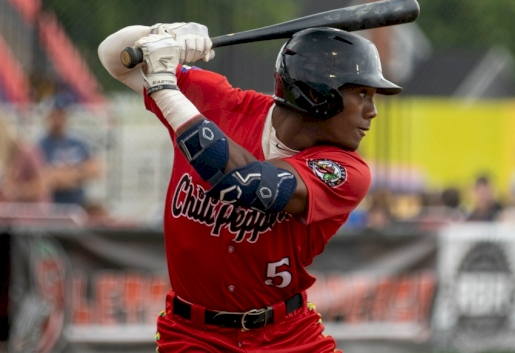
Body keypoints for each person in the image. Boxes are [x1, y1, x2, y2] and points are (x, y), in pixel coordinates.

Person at [98, 22, 402, 352]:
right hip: (192, 336)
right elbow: (113, 56)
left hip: (286, 335)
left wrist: (165, 88)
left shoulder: (347, 170)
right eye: (362, 94)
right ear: (317, 94)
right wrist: (162, 34)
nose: (372, 112)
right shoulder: (220, 102)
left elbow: (242, 183)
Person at [38, 100, 100, 208]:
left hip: (78, 201)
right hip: (54, 203)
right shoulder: (41, 146)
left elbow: (94, 169)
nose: (58, 119)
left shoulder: (77, 142)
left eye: (61, 115)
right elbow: (48, 178)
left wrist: (70, 175)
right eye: (55, 115)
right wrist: (79, 172)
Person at [0, 114, 49, 203]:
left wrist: (17, 192)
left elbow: (43, 185)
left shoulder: (26, 152)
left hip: (34, 212)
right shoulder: (9, 157)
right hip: (14, 211)